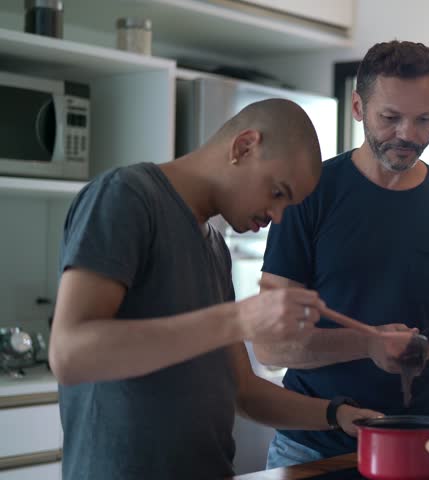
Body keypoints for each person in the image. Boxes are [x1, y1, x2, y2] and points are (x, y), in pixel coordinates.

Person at [48, 99, 382, 480]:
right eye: (277, 193)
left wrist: (336, 415)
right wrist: (239, 318)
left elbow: (242, 390)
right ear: (244, 147)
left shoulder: (214, 246)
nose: (277, 217)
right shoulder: (127, 196)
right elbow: (69, 353)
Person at [255, 40, 429, 467]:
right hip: (310, 447)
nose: (408, 135)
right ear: (358, 107)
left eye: (424, 119)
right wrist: (368, 343)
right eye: (390, 118)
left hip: (418, 442)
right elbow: (269, 346)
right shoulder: (310, 193)